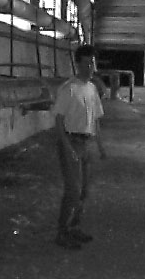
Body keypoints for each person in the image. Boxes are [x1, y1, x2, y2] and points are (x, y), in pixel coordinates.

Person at [53, 44, 107, 249]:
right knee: (72, 190)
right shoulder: (68, 89)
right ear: (77, 64)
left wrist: (100, 146)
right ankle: (62, 231)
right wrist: (67, 148)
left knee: (84, 190)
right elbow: (58, 121)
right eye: (86, 63)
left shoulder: (91, 88)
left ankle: (74, 226)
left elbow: (96, 119)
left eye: (92, 63)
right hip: (71, 141)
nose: (90, 67)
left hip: (86, 142)